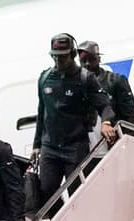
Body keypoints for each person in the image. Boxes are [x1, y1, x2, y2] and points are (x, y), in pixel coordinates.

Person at [32, 34, 116, 206]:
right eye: (55, 56)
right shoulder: (44, 78)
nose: (58, 60)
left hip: (75, 145)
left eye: (62, 56)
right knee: (47, 192)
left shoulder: (85, 78)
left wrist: (106, 122)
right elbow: (42, 113)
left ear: (71, 54)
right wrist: (36, 145)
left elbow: (105, 105)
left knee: (77, 194)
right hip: (50, 146)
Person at [77, 41, 134, 128]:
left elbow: (131, 117)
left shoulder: (116, 81)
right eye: (83, 61)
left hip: (114, 135)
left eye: (91, 59)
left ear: (99, 59)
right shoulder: (76, 85)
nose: (87, 64)